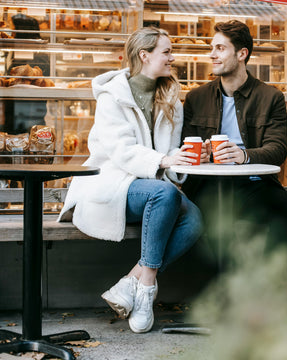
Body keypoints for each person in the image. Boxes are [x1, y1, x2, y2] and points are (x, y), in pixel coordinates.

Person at [57, 27, 203, 333]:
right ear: (144, 55)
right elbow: (121, 151)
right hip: (112, 185)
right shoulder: (113, 96)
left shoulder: (171, 99)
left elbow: (171, 149)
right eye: (166, 51)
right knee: (165, 194)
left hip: (153, 189)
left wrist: (181, 159)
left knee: (195, 220)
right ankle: (147, 292)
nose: (172, 57)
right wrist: (163, 161)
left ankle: (136, 281)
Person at [182, 20, 287, 258]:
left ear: (242, 54)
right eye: (212, 48)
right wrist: (199, 156)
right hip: (208, 186)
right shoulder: (196, 97)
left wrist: (244, 155)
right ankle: (224, 286)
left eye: (220, 48)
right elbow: (183, 145)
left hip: (253, 183)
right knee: (216, 220)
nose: (211, 55)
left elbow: (278, 149)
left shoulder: (271, 97)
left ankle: (272, 280)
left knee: (284, 208)